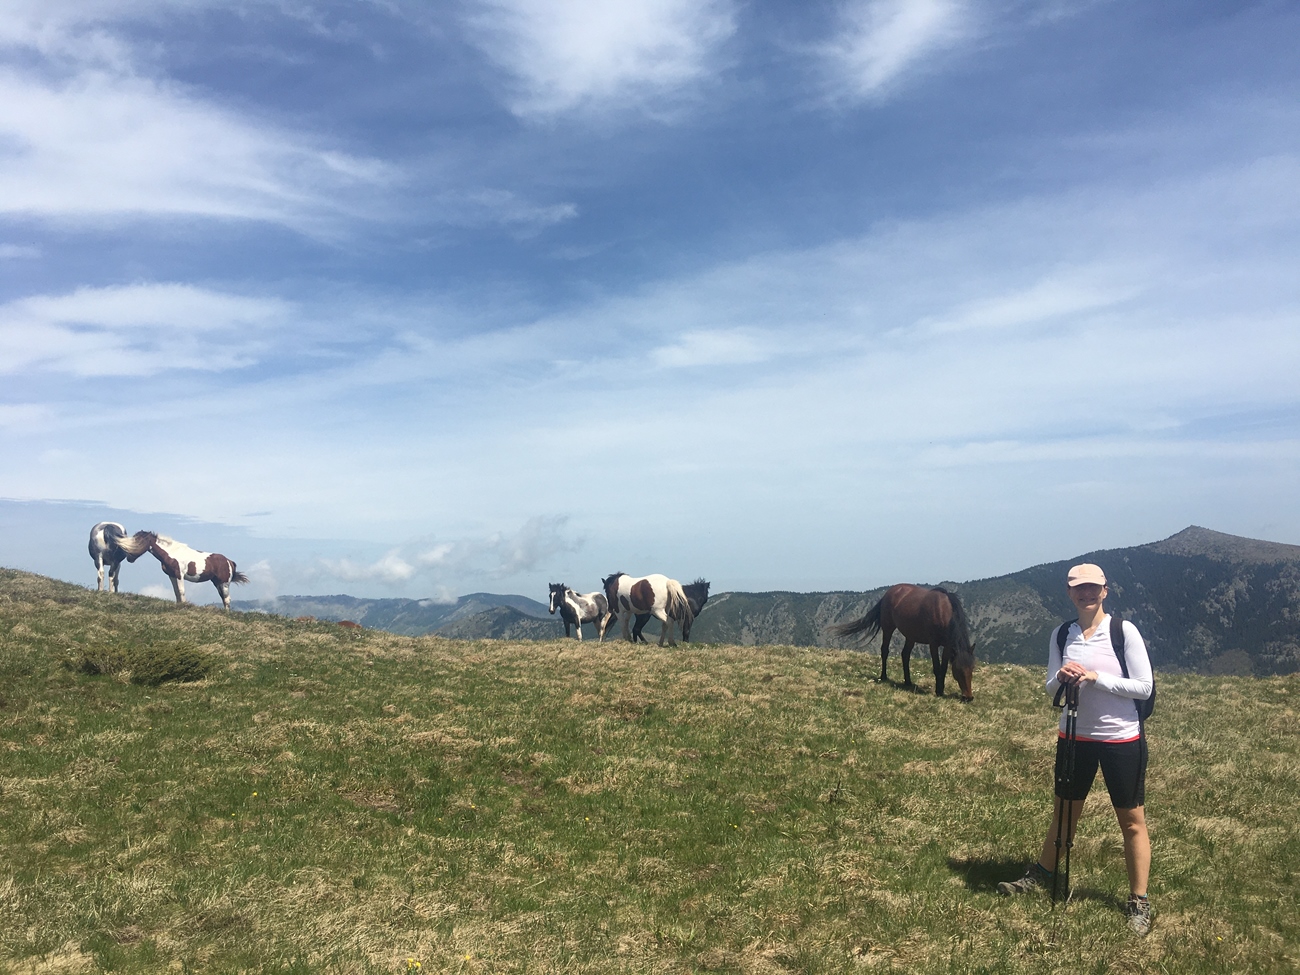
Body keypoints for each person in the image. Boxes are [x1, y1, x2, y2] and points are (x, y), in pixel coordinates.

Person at [997, 563, 1154, 935]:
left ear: (1105, 590)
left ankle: (1138, 901)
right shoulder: (1062, 634)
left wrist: (1098, 679)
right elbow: (1051, 689)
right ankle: (1041, 875)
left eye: (1093, 588)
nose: (1086, 594)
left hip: (1121, 739)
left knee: (1132, 821)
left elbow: (1144, 687)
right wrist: (1062, 678)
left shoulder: (1123, 631)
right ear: (1070, 593)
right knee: (1064, 814)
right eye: (1078, 589)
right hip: (1074, 736)